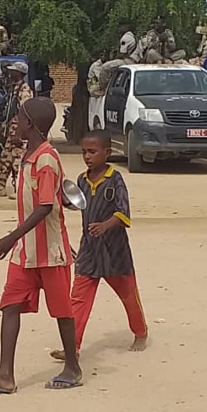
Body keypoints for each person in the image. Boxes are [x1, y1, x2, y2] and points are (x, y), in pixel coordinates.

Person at [0, 97, 81, 394]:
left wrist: (10, 237)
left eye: (18, 117)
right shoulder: (30, 154)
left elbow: (44, 206)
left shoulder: (45, 159)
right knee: (10, 304)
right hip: (26, 251)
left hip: (49, 251)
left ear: (30, 124)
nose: (14, 122)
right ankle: (5, 374)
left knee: (62, 311)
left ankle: (73, 367)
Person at [49, 130, 148, 361]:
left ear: (107, 152)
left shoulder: (116, 179)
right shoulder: (82, 180)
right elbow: (79, 204)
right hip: (89, 250)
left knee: (128, 295)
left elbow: (123, 212)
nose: (87, 157)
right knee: (78, 298)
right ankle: (72, 346)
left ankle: (140, 332)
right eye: (84, 152)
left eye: (92, 152)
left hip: (115, 251)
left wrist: (105, 225)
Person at [0, 61, 32, 197]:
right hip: (10, 129)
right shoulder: (13, 88)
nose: (10, 73)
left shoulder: (24, 89)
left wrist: (20, 133)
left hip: (18, 130)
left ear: (20, 73)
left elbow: (25, 112)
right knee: (5, 158)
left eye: (13, 71)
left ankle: (19, 188)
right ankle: (1, 186)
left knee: (17, 159)